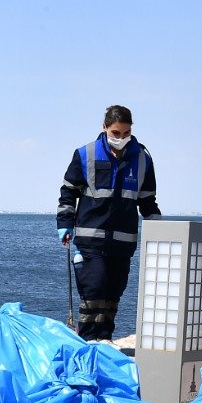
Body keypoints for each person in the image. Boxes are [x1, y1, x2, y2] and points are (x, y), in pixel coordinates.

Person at [56, 105, 162, 340]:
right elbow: (68, 191)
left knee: (113, 294)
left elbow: (147, 200)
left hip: (123, 242)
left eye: (126, 133)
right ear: (104, 128)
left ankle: (104, 340)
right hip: (91, 238)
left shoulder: (142, 158)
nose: (121, 138)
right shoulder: (86, 154)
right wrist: (64, 222)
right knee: (94, 290)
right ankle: (87, 341)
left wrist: (159, 225)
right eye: (115, 133)